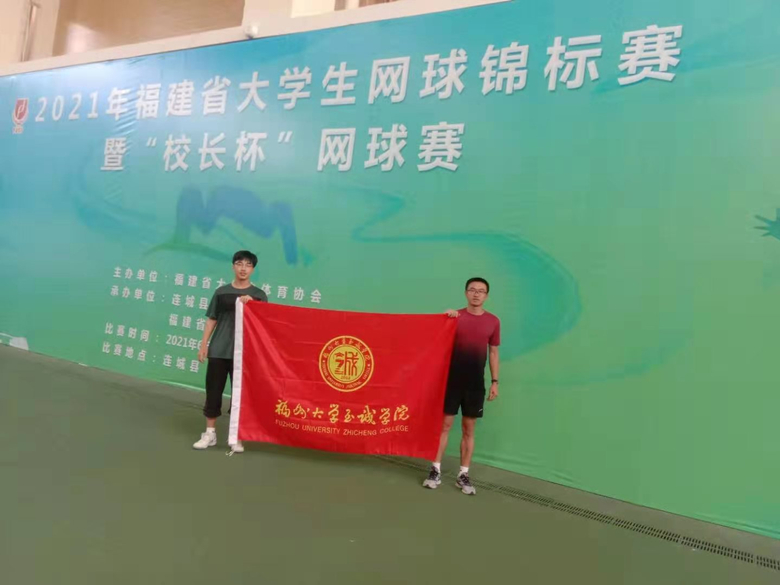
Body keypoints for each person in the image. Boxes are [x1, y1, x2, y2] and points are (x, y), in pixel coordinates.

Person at [423, 277, 500, 495]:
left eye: (481, 291)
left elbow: (494, 352)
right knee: (444, 426)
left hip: (474, 385)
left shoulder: (493, 321)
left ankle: (463, 475)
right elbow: (436, 340)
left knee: (469, 429)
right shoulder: (454, 317)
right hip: (451, 381)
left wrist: (495, 381)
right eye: (472, 290)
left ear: (486, 296)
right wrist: (443, 319)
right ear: (466, 293)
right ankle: (435, 470)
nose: (476, 294)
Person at [192, 250, 268, 453]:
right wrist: (204, 344)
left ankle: (236, 437)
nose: (243, 268)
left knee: (240, 396)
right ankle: (210, 434)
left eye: (248, 265)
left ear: (253, 269)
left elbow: (264, 323)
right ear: (233, 266)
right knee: (213, 392)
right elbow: (212, 319)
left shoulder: (259, 295)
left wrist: (252, 305)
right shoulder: (221, 292)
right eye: (239, 264)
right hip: (219, 350)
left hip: (244, 354)